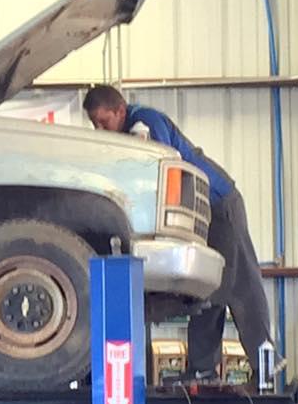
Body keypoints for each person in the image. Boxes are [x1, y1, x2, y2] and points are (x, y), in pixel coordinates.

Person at [82, 84, 273, 379]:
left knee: (239, 285)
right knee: (208, 289)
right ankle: (202, 368)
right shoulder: (131, 127)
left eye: (103, 121)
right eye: (94, 124)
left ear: (120, 111)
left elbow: (151, 165)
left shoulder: (143, 123)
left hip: (220, 203)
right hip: (201, 212)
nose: (100, 129)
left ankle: (266, 364)